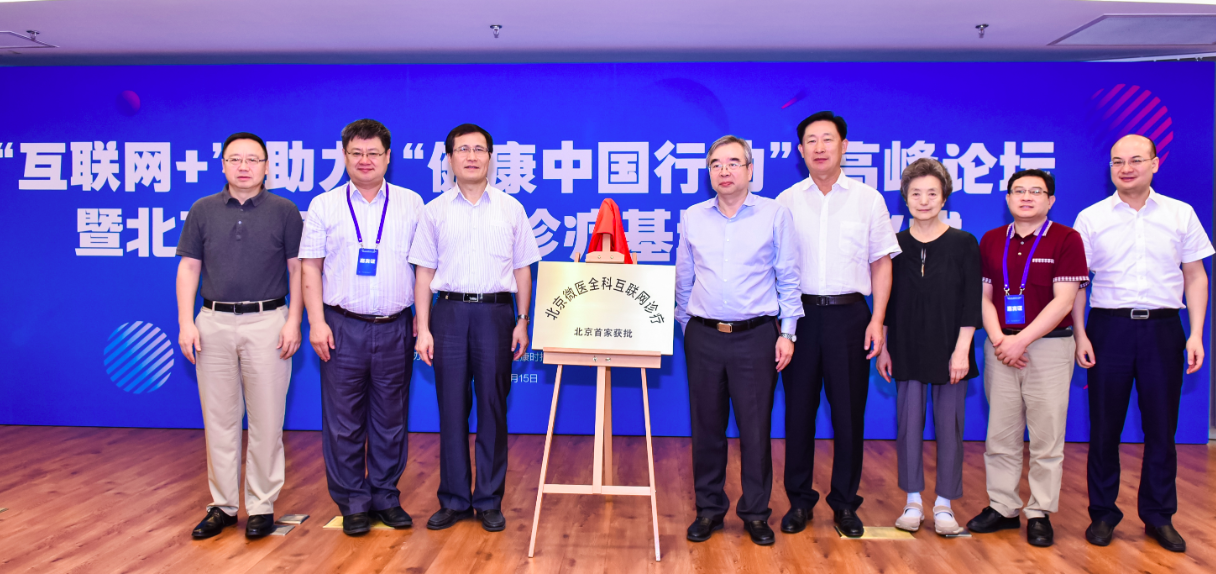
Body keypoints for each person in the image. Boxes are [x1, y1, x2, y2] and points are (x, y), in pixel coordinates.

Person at [1072, 134, 1213, 553]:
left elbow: (1196, 276)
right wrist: (1080, 333)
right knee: (1104, 428)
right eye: (1117, 161)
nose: (1126, 168)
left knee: (1161, 429)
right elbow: (1077, 283)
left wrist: (1196, 333)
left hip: (1164, 329)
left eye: (1135, 160)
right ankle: (1103, 514)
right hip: (1107, 329)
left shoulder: (1180, 213)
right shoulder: (1091, 218)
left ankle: (1158, 516)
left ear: (1155, 163)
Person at [410, 123, 541, 533]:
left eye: (479, 149)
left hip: (496, 315)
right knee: (451, 409)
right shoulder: (434, 210)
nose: (471, 156)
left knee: (493, 408)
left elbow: (523, 270)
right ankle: (453, 499)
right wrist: (423, 328)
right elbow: (423, 272)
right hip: (448, 313)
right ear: (449, 158)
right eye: (463, 149)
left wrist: (522, 320)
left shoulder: (511, 208)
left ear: (490, 157)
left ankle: (488, 499)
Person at [775, 111, 900, 537]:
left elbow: (881, 263)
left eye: (828, 139)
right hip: (800, 317)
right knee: (798, 415)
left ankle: (845, 503)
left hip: (851, 317)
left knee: (848, 415)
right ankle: (799, 501)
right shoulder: (787, 201)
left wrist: (878, 320)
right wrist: (784, 327)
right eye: (811, 140)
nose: (820, 147)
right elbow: (778, 267)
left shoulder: (868, 199)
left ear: (844, 146)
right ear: (800, 150)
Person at [299, 119, 424, 536]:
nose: (365, 160)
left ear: (388, 157)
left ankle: (386, 496)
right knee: (343, 422)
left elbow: (424, 268)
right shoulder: (324, 205)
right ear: (344, 156)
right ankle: (352, 501)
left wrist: (421, 321)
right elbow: (310, 268)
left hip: (395, 326)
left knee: (391, 419)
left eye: (373, 153)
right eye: (356, 153)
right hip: (341, 326)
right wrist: (316, 322)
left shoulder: (411, 203)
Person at [676, 136, 802, 546]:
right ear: (708, 172)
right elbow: (683, 279)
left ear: (750, 170)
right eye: (716, 164)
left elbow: (788, 277)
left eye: (733, 162)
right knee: (706, 428)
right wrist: (689, 328)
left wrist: (787, 333)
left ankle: (756, 513)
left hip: (756, 336)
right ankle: (709, 510)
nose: (724, 170)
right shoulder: (693, 216)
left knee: (755, 428)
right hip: (704, 335)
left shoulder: (774, 214)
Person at [176, 132, 304, 539]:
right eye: (235, 159)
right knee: (219, 420)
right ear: (223, 165)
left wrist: (293, 321)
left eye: (253, 159)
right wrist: (186, 322)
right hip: (212, 322)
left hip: (269, 321)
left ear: (267, 166)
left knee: (267, 420)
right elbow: (189, 268)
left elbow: (299, 270)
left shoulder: (285, 211)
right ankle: (223, 506)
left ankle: (262, 505)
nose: (244, 166)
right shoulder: (203, 209)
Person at [966, 169, 1088, 548]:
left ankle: (1039, 512)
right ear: (1007, 199)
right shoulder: (991, 240)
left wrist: (1022, 341)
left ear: (1051, 200)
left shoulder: (1066, 238)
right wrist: (1001, 339)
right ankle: (1003, 507)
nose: (1026, 197)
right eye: (1018, 191)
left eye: (1036, 191)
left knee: (1046, 437)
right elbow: (983, 297)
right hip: (1001, 346)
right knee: (1000, 435)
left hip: (1049, 347)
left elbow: (1064, 301)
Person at [876, 158, 980, 536]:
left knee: (950, 428)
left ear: (944, 197)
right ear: (905, 199)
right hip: (905, 347)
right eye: (916, 193)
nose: (924, 201)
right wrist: (884, 345)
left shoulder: (964, 243)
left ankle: (945, 505)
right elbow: (886, 300)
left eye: (932, 193)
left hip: (951, 349)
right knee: (908, 427)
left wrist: (962, 349)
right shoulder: (894, 245)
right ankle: (913, 501)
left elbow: (971, 301)